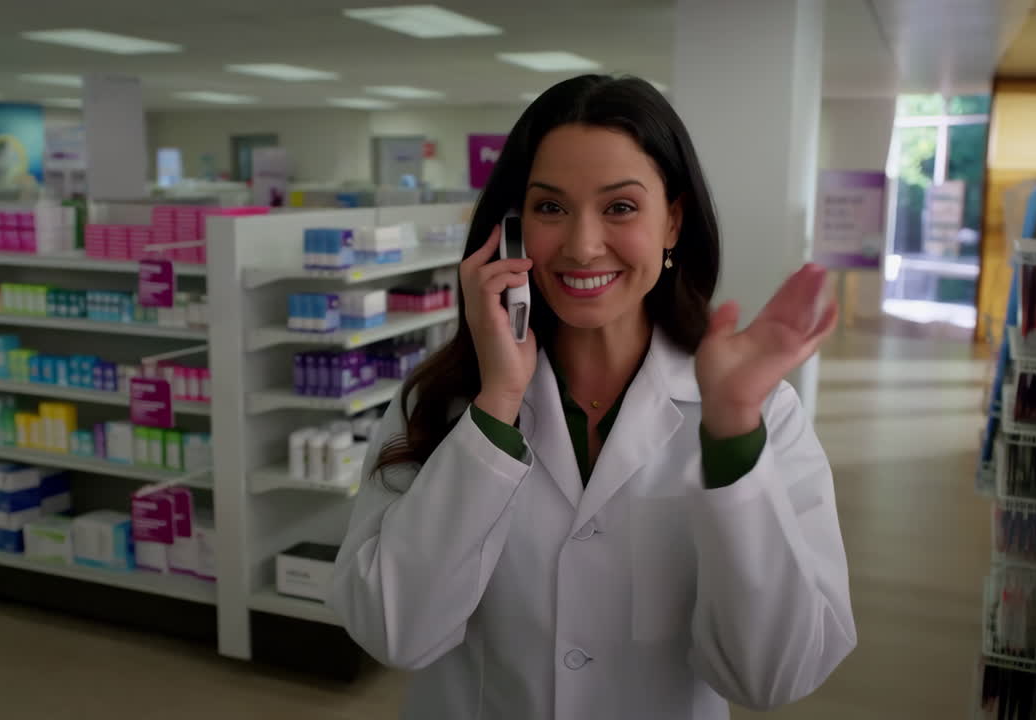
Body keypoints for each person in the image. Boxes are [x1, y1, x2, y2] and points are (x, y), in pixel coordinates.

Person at [328, 74, 856, 720]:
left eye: (621, 207)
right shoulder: (442, 401)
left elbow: (772, 676)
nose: (581, 246)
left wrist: (733, 438)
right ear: (512, 230)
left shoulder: (758, 413)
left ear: (673, 221)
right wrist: (497, 404)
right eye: (550, 209)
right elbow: (393, 632)